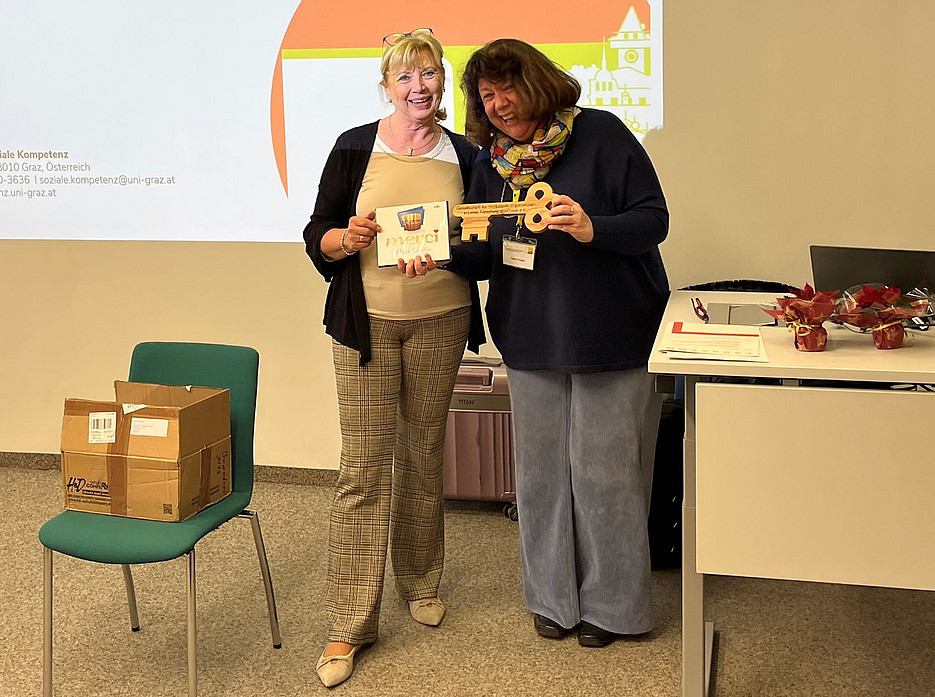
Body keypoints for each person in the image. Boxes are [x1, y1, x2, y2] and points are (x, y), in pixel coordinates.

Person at [403, 38, 669, 648]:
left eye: (508, 89)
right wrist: (434, 251)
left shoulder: (602, 134)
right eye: (487, 95)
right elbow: (481, 250)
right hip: (529, 334)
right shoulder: (487, 160)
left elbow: (654, 219)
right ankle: (552, 598)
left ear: (539, 84)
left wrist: (593, 226)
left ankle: (615, 607)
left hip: (611, 331)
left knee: (608, 477)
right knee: (541, 478)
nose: (498, 104)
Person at [301, 28, 484, 688]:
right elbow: (315, 232)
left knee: (425, 450)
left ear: (441, 82)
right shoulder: (355, 146)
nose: (420, 86)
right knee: (362, 467)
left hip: (441, 318)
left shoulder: (466, 153)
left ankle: (420, 578)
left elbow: (484, 249)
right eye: (406, 77)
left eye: (430, 74)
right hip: (367, 326)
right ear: (386, 88)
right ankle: (349, 622)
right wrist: (342, 238)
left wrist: (447, 253)